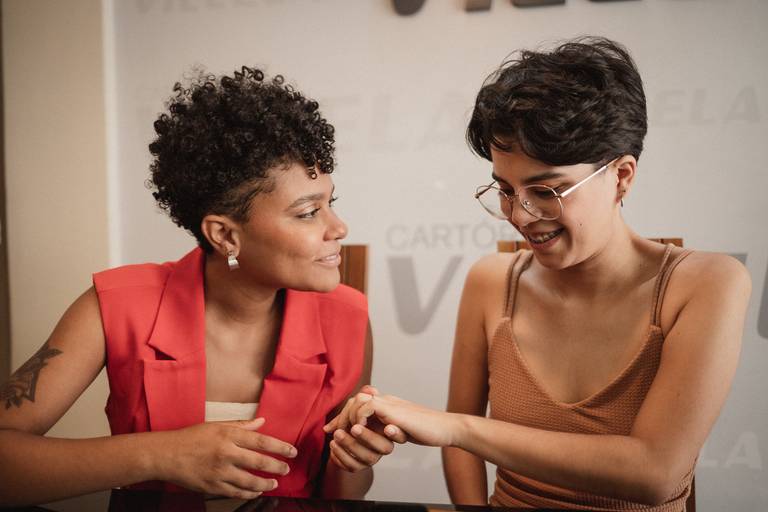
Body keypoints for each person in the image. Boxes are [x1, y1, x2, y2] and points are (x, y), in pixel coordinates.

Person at [326, 37, 751, 510]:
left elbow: (655, 474)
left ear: (622, 175)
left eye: (547, 191)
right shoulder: (491, 282)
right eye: (506, 190)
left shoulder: (707, 283)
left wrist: (456, 427)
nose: (521, 215)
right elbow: (461, 453)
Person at [0, 66, 395, 506]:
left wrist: (353, 458)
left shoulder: (347, 318)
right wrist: (160, 454)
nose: (339, 228)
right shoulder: (116, 305)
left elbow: (340, 497)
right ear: (224, 235)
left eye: (330, 203)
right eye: (307, 213)